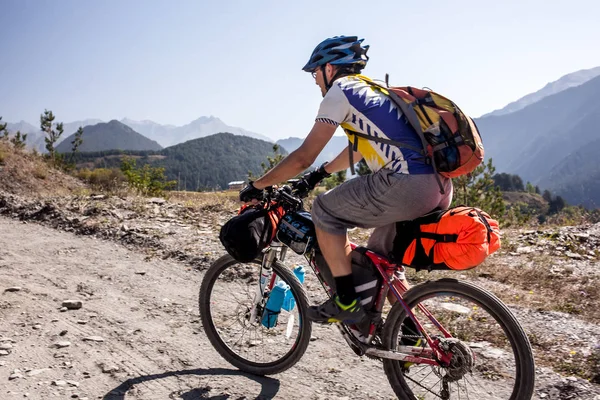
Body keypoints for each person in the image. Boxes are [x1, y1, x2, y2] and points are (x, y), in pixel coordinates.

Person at [239, 35, 453, 324]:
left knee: (324, 210)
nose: (315, 80)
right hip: (438, 187)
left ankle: (347, 301)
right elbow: (360, 147)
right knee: (382, 261)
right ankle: (409, 331)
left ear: (330, 68)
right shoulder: (375, 91)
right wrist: (318, 175)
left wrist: (258, 185)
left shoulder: (339, 91)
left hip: (407, 184)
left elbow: (304, 155)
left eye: (315, 72)